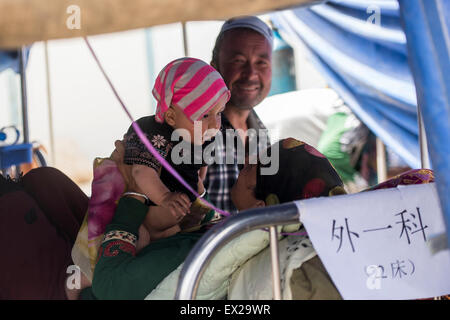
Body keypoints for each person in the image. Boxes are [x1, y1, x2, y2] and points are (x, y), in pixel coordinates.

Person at [73, 57, 230, 282]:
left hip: (173, 218)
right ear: (171, 116)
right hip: (141, 216)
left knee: (178, 240)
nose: (216, 124)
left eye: (219, 112)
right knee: (139, 240)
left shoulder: (203, 135)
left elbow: (199, 166)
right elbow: (141, 174)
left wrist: (197, 189)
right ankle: (87, 278)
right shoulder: (151, 132)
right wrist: (166, 197)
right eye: (205, 115)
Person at [204, 16, 274, 213]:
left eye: (261, 62)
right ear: (214, 67)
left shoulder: (261, 133)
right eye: (238, 60)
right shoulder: (194, 131)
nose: (251, 73)